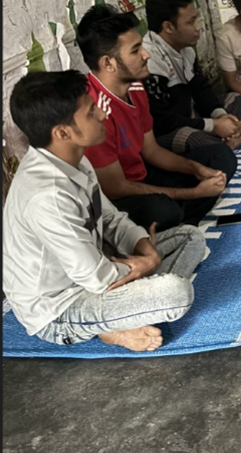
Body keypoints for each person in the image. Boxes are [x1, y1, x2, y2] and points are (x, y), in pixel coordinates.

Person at [3, 70, 207, 352]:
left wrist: (142, 244)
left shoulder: (74, 157)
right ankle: (113, 324)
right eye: (90, 111)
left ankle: (125, 314)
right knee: (177, 293)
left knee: (190, 238)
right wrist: (145, 265)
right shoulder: (46, 194)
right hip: (61, 307)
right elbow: (95, 277)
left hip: (98, 269)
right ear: (63, 132)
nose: (101, 113)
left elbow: (109, 217)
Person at [76, 4, 236, 232]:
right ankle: (177, 222)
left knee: (221, 158)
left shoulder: (136, 87)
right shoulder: (93, 111)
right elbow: (115, 188)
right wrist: (194, 193)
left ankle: (183, 223)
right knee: (163, 209)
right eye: (135, 50)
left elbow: (150, 150)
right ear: (108, 63)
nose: (146, 54)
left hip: (143, 176)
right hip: (115, 198)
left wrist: (194, 168)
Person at [143, 0, 241, 153]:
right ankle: (228, 144)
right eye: (191, 22)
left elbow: (201, 90)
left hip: (193, 118)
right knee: (194, 139)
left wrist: (220, 116)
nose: (198, 27)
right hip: (168, 131)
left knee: (236, 100)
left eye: (196, 19)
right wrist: (213, 125)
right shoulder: (150, 60)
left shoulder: (186, 49)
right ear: (168, 27)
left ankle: (229, 140)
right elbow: (161, 121)